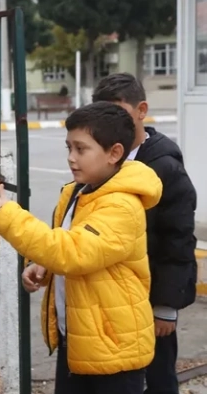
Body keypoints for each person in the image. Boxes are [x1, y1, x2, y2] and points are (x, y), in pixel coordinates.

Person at [0, 101, 162, 394]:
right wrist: (45, 266)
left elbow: (72, 253)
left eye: (81, 149)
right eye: (68, 148)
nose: (71, 158)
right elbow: (72, 247)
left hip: (114, 352)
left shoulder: (122, 206)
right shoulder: (79, 192)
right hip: (78, 339)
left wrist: (2, 214)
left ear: (114, 153)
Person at [92, 72, 198, 394]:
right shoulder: (104, 157)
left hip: (152, 300)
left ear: (141, 110)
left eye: (119, 113)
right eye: (103, 115)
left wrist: (166, 306)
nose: (111, 123)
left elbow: (177, 241)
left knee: (158, 375)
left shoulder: (165, 166)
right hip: (115, 298)